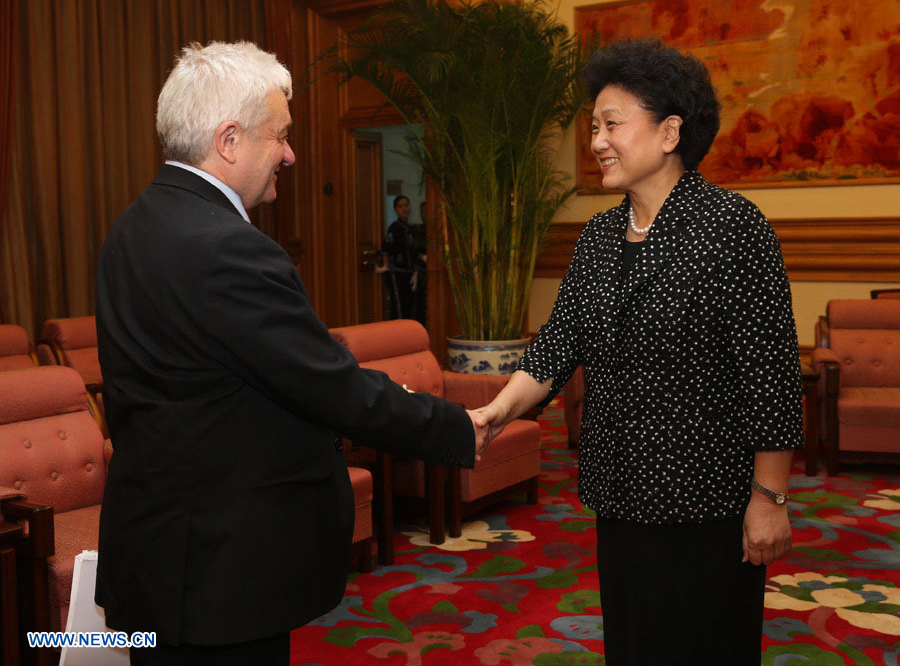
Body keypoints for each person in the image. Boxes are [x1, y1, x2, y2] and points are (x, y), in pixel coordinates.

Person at [95, 41, 489, 666]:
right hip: (218, 574)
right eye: (279, 135)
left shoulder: (134, 227)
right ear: (229, 139)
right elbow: (329, 386)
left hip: (157, 555)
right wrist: (456, 427)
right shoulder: (228, 247)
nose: (290, 153)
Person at [476, 38, 803, 665]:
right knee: (634, 646)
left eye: (612, 124)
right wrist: (496, 413)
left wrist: (771, 499)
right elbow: (553, 349)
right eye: (593, 126)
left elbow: (771, 380)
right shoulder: (599, 237)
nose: (597, 141)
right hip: (621, 497)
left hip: (708, 503)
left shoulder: (733, 227)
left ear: (670, 131)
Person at [382, 194, 426, 324]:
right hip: (398, 273)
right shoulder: (394, 228)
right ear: (396, 210)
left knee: (411, 306)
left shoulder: (412, 229)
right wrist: (385, 267)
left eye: (406, 205)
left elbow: (416, 250)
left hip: (411, 273)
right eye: (400, 206)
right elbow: (385, 248)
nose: (404, 209)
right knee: (399, 305)